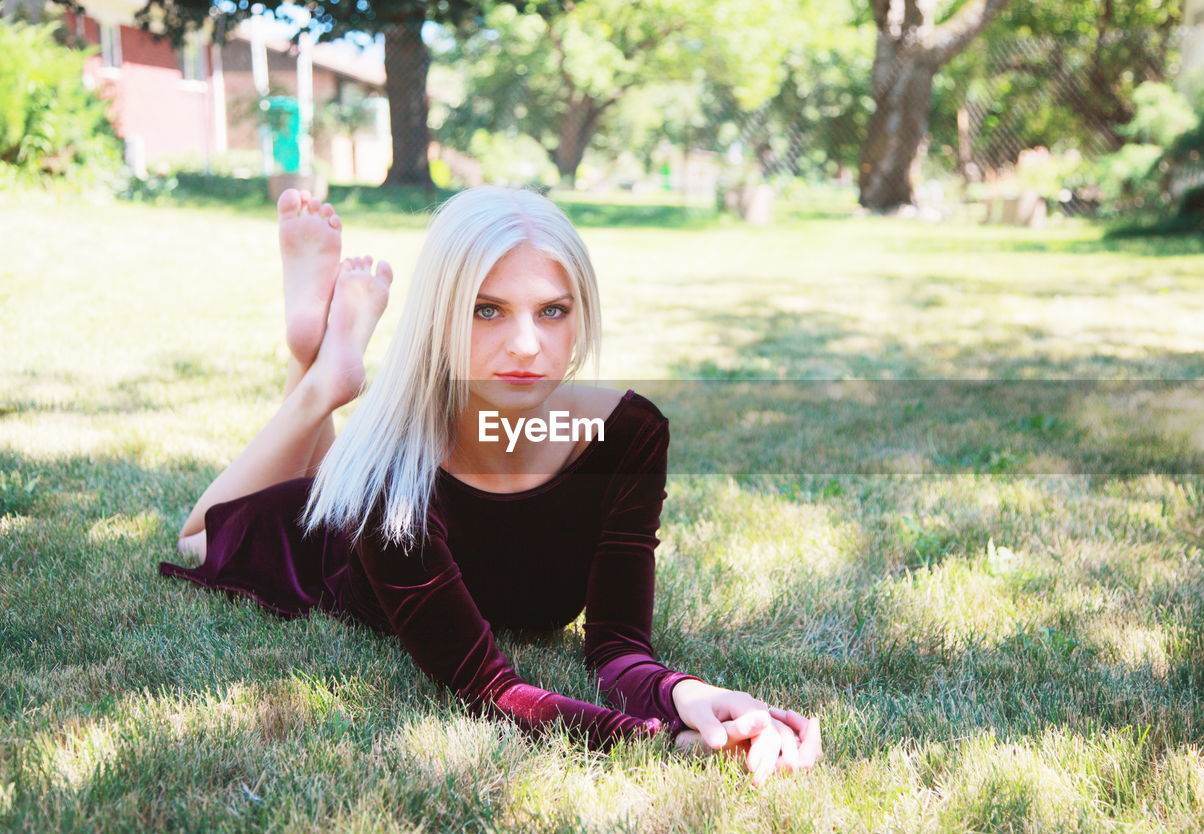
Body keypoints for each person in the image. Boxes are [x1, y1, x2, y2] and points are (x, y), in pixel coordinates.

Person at [159, 186, 822, 786]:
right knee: (200, 537)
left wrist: (690, 695)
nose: (529, 345)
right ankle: (319, 384)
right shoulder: (394, 476)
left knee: (323, 473)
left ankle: (323, 355)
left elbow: (618, 644)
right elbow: (488, 688)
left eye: (553, 310)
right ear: (440, 318)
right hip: (335, 550)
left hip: (364, 483)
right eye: (488, 310)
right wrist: (665, 741)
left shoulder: (628, 435)